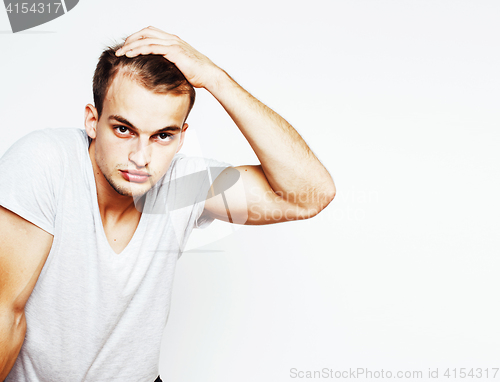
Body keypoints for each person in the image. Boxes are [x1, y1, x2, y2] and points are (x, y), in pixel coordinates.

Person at [0, 26, 335, 381]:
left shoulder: (183, 185)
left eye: (162, 135)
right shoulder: (46, 163)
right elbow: (7, 312)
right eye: (124, 129)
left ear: (180, 138)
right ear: (93, 121)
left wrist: (215, 78)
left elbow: (309, 196)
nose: (141, 158)